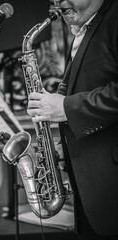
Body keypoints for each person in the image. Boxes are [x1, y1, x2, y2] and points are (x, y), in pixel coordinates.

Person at [27, 0, 118, 239]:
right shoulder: (84, 27)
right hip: (92, 191)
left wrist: (66, 108)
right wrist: (64, 142)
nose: (59, 2)